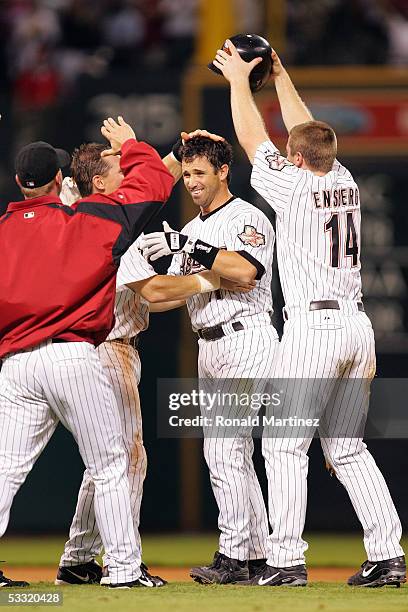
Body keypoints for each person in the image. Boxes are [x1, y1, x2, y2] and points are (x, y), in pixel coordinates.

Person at [210, 42, 406, 588]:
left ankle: (286, 562)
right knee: (347, 448)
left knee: (282, 444)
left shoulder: (292, 185)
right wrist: (279, 75)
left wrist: (236, 80)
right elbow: (308, 131)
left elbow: (253, 139)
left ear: (295, 158)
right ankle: (388, 556)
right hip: (357, 329)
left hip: (314, 330)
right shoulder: (343, 179)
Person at [0, 117, 174, 589]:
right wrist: (133, 146)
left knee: (4, 469)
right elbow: (153, 185)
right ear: (61, 180)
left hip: (16, 365)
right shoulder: (87, 219)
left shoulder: (3, 231)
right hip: (74, 357)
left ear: (19, 182)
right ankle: (122, 570)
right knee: (112, 463)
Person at [54, 137, 223, 587]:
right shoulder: (111, 224)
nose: (129, 174)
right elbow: (153, 291)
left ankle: (78, 558)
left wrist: (171, 150)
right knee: (127, 460)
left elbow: (151, 181)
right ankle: (123, 562)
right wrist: (208, 281)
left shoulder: (87, 215)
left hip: (93, 348)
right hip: (109, 347)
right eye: (118, 168)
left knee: (104, 462)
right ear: (99, 182)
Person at [141, 135, 278, 584]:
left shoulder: (246, 215)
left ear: (223, 172)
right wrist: (197, 279)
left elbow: (245, 271)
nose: (191, 181)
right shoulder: (195, 228)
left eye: (200, 172)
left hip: (245, 336)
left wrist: (198, 257)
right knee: (229, 451)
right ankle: (256, 554)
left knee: (223, 448)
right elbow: (172, 294)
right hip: (209, 342)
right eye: (186, 173)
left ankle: (235, 555)